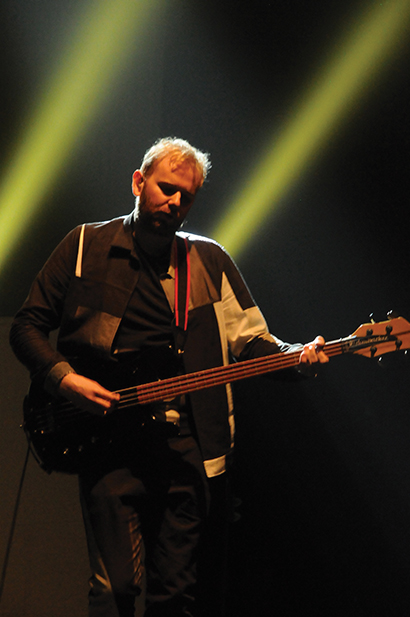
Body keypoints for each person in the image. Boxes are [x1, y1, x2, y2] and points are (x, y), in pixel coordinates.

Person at [9, 137, 329, 617]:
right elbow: (27, 325)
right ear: (139, 182)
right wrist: (63, 379)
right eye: (165, 188)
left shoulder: (208, 260)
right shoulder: (84, 245)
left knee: (176, 595)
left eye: (187, 196)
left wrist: (298, 357)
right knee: (114, 590)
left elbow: (254, 342)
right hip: (109, 445)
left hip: (187, 449)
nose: (175, 202)